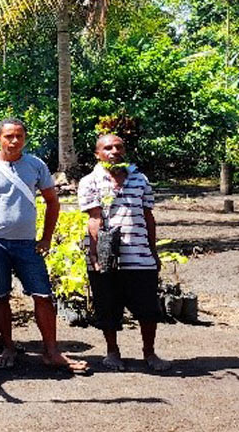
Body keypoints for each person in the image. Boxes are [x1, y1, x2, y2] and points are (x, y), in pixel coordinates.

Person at [0, 118, 87, 373]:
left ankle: (51, 350)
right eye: (9, 136)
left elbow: (53, 202)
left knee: (43, 295)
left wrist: (46, 238)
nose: (14, 141)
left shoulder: (36, 165)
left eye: (19, 136)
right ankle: (8, 346)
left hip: (26, 244)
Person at [78, 134, 170, 372]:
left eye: (119, 147)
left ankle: (149, 353)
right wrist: (96, 256)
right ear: (97, 154)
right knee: (108, 306)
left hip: (139, 256)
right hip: (107, 257)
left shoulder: (140, 179)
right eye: (107, 148)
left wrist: (153, 252)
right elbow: (94, 219)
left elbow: (148, 217)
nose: (114, 151)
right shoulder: (90, 181)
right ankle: (112, 351)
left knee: (148, 308)